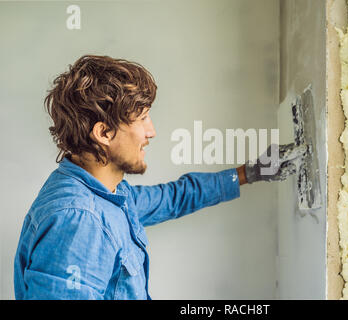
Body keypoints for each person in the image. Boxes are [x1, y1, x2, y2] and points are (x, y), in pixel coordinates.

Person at [14, 55, 303, 300]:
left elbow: (173, 198)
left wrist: (250, 173)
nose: (151, 132)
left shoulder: (106, 193)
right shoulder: (79, 221)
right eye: (141, 119)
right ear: (104, 133)